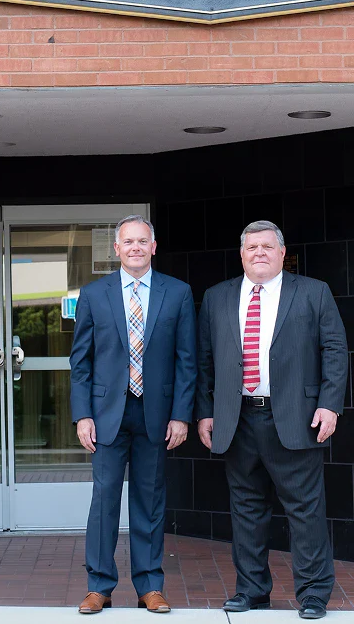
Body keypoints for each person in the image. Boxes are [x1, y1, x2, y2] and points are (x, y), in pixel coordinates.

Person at [195, 220, 348, 619]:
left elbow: (334, 350)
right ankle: (251, 590)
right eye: (251, 247)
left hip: (296, 418)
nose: (259, 253)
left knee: (305, 511)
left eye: (267, 246)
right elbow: (204, 362)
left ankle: (313, 594)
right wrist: (205, 412)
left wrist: (330, 404)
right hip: (237, 418)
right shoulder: (217, 297)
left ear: (283, 253)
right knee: (246, 509)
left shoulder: (313, 292)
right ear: (241, 255)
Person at [70, 215, 197, 614]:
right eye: (129, 242)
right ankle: (99, 586)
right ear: (117, 248)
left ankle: (149, 586)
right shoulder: (94, 294)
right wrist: (82, 415)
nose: (136, 247)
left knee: (150, 500)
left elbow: (186, 361)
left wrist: (181, 415)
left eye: (143, 241)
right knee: (104, 500)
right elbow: (81, 363)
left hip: (155, 414)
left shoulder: (178, 293)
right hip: (107, 413)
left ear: (154, 247)